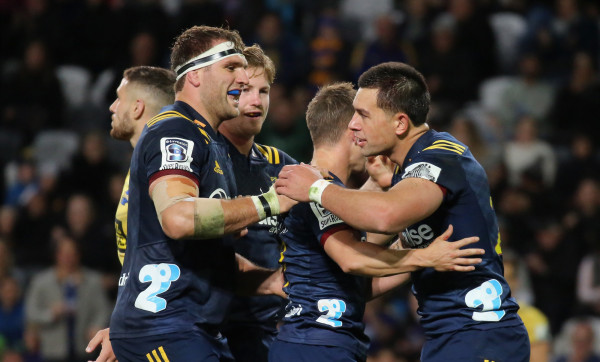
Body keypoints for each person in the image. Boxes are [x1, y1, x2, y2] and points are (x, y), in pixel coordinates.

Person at [275, 62, 530, 361]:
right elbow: (366, 254)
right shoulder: (407, 172)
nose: (353, 124)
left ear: (400, 123)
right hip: (448, 336)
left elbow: (386, 217)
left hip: (480, 332)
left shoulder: (440, 155)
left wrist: (317, 189)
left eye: (363, 115)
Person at [107, 25, 294, 362]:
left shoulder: (210, 145)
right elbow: (178, 218)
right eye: (231, 68)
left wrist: (270, 282)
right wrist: (271, 203)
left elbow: (202, 257)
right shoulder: (176, 130)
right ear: (194, 76)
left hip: (194, 329)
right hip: (163, 326)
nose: (241, 79)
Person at [85, 66, 176, 362]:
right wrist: (123, 325)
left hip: (170, 331)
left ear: (137, 108)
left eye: (118, 98)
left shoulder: (167, 166)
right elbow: (142, 263)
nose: (112, 107)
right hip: (144, 325)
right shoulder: (138, 165)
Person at [217, 45, 295, 362]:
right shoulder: (200, 162)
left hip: (268, 334)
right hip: (209, 333)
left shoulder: (282, 168)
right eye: (245, 89)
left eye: (263, 91)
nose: (256, 101)